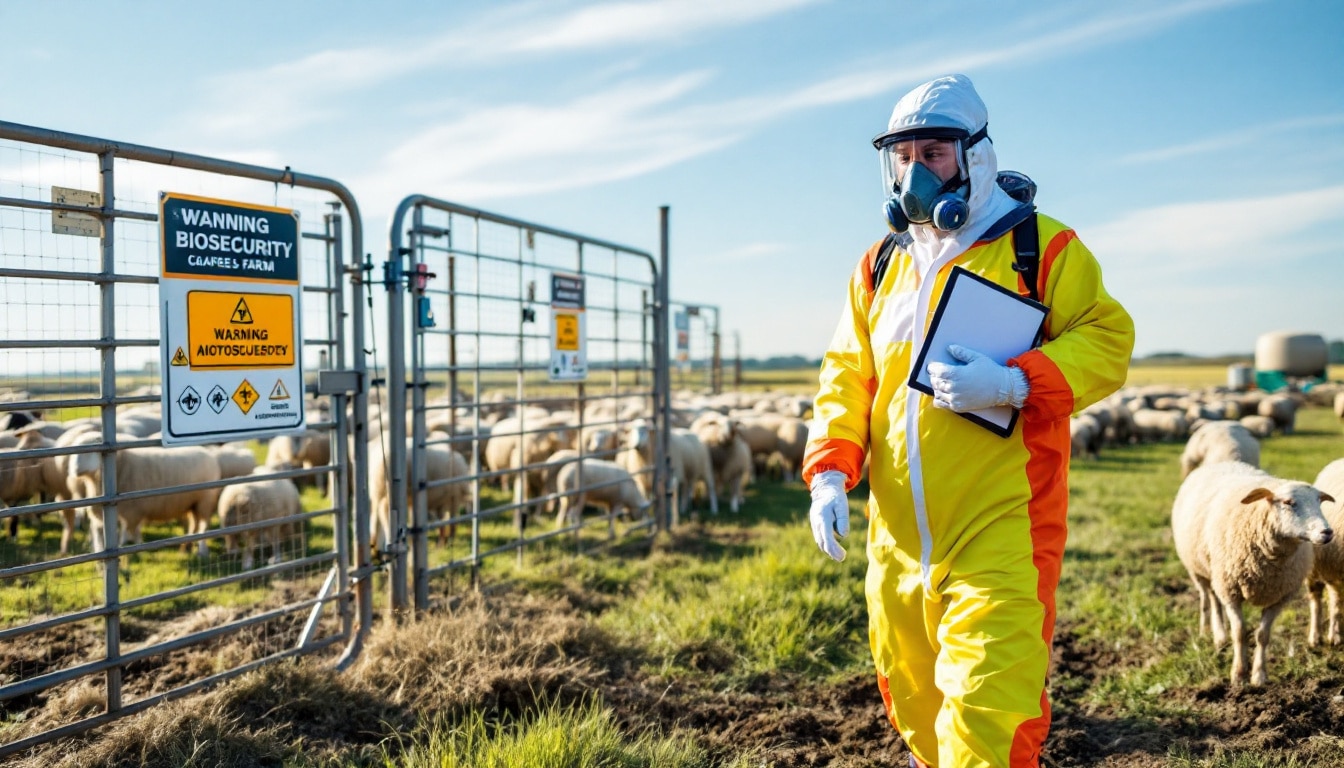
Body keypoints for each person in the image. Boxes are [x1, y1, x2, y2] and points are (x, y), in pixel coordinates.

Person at [801, 74, 1134, 768]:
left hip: (1003, 527)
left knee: (990, 710)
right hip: (896, 540)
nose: (917, 171)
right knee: (916, 705)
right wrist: (830, 472)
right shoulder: (878, 265)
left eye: (936, 153)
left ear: (975, 154)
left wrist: (1016, 381)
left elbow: (1107, 338)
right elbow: (847, 373)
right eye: (905, 155)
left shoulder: (1039, 248)